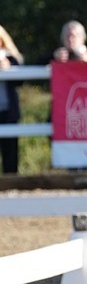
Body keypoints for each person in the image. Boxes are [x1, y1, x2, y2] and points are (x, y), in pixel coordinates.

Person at [0, 26, 23, 174]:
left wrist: (10, 67)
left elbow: (20, 81)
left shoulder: (11, 58)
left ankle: (11, 183)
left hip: (8, 111)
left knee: (10, 151)